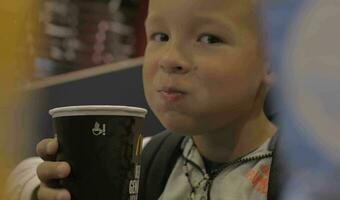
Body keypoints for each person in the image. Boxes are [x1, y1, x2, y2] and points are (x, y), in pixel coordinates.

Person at [7, 0, 278, 199]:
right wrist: (43, 190)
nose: (170, 59)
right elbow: (22, 175)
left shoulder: (305, 178)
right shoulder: (149, 161)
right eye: (160, 36)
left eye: (209, 38)